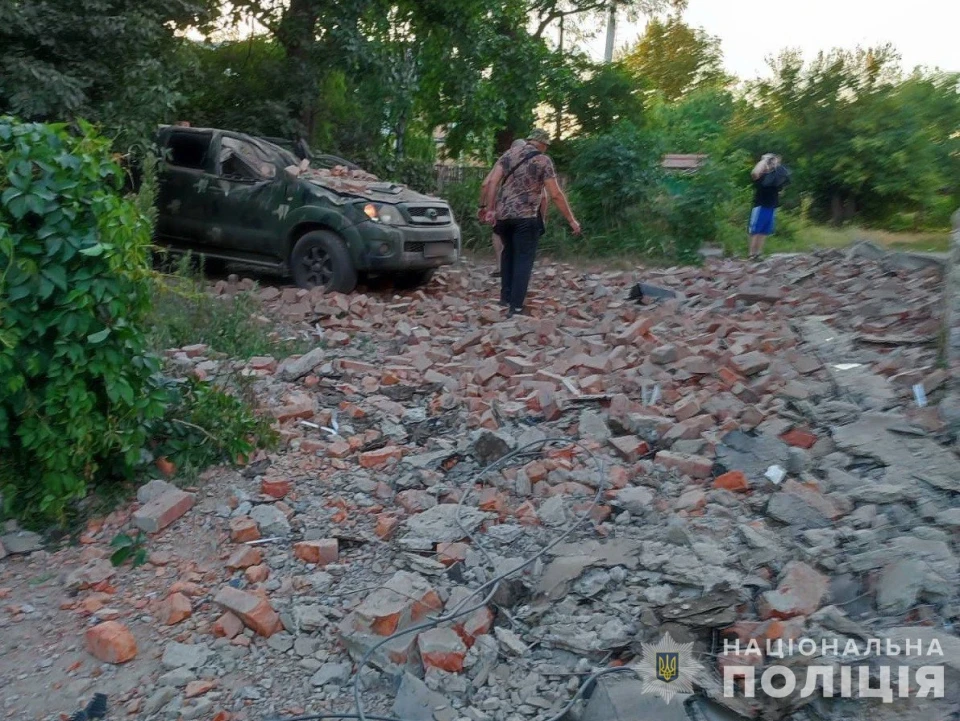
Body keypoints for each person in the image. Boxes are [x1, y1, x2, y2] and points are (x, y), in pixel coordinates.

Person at [482, 128, 580, 316]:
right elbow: (555, 194)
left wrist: (490, 209)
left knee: (508, 255)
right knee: (523, 260)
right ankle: (516, 307)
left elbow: (492, 182)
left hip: (503, 217)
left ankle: (505, 298)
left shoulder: (509, 154)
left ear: (529, 140)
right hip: (526, 218)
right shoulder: (543, 160)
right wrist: (571, 219)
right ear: (543, 144)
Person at [748, 153, 790, 261]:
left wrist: (776, 164)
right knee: (756, 230)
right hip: (760, 206)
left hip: (771, 207)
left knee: (764, 231)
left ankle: (758, 253)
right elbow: (754, 173)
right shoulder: (761, 177)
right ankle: (752, 254)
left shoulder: (775, 177)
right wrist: (764, 161)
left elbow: (784, 183)